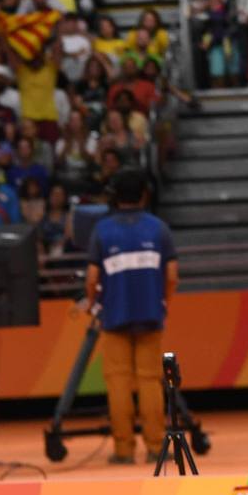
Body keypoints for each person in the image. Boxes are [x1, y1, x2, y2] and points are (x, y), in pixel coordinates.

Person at [79, 169, 178, 465]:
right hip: (150, 314)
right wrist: (164, 301)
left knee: (119, 382)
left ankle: (123, 450)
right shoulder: (159, 229)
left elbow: (91, 277)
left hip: (114, 316)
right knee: (150, 381)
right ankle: (156, 447)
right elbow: (172, 274)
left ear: (114, 197)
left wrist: (93, 303)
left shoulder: (103, 230)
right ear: (144, 195)